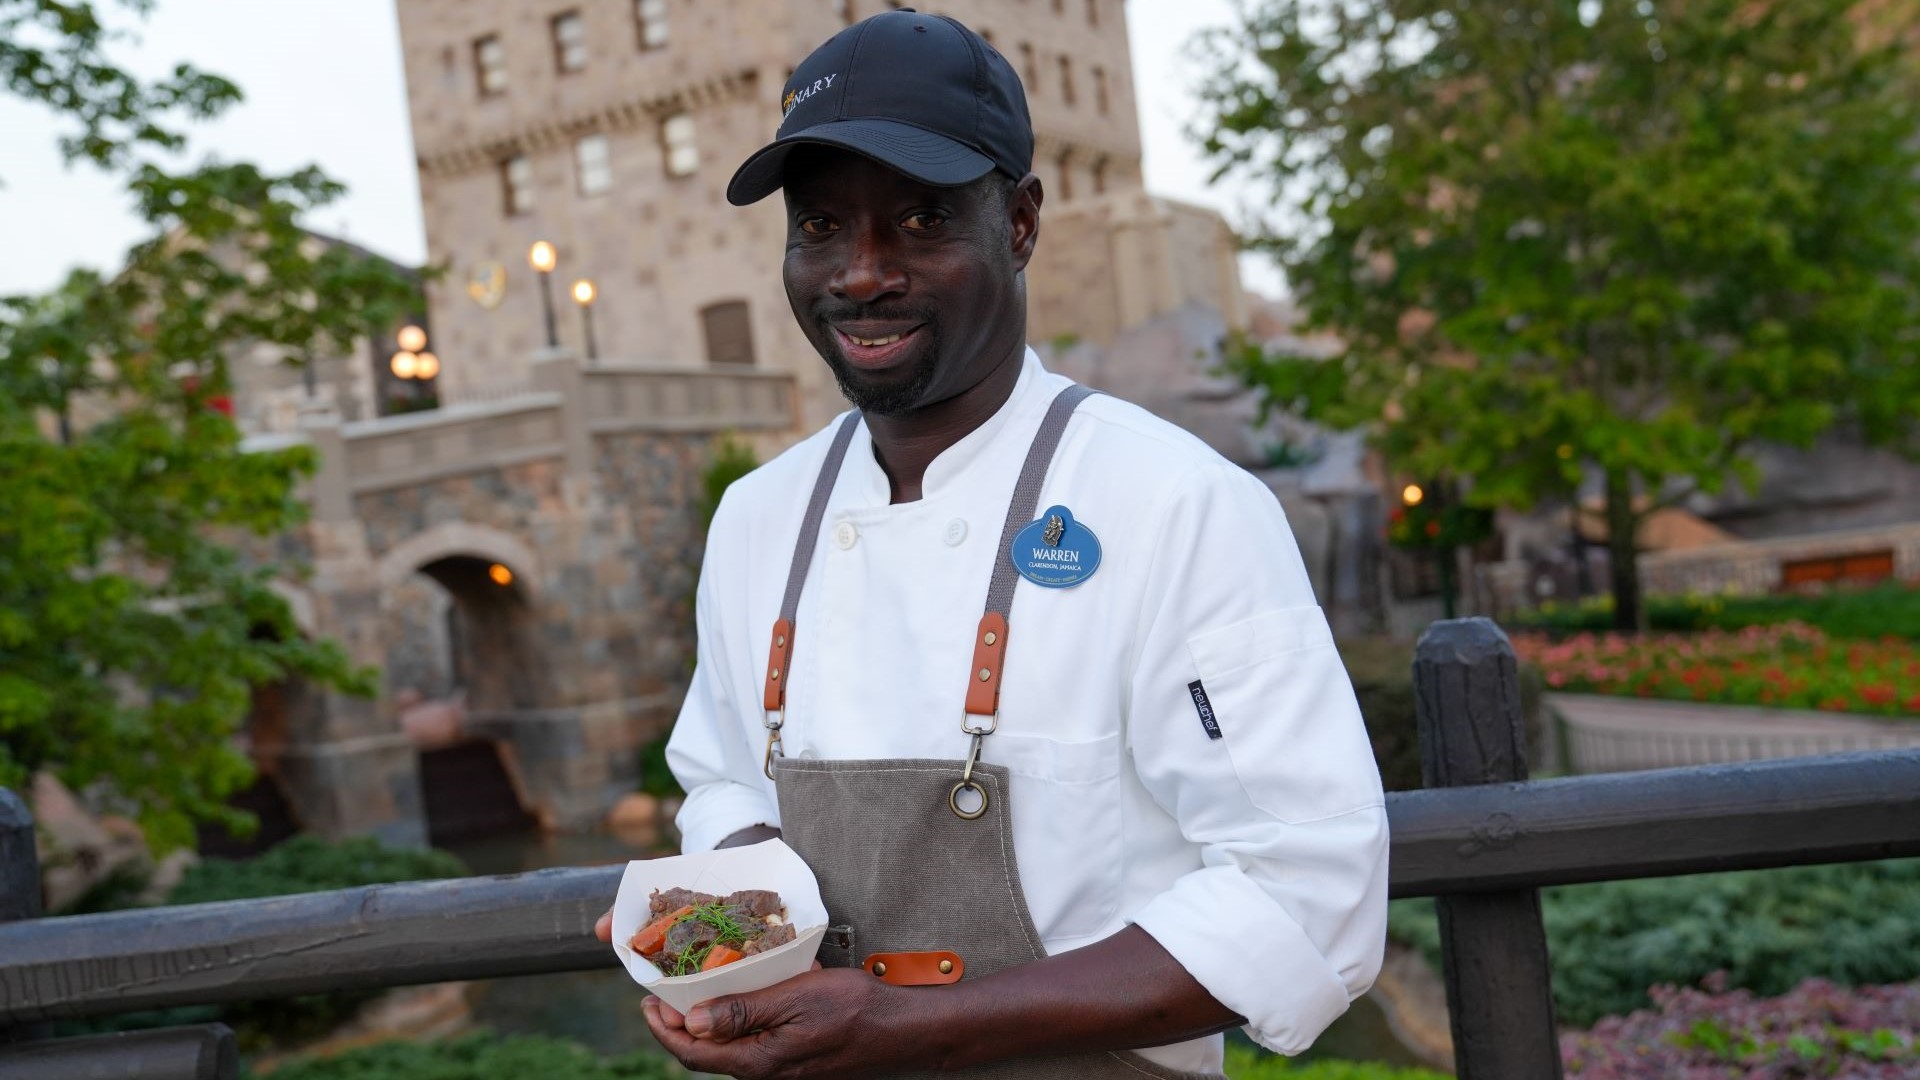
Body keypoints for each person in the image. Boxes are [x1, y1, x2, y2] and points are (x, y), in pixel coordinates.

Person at [592, 10, 1388, 1077]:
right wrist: (725, 930)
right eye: (820, 226)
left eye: (921, 221)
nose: (861, 274)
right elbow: (725, 781)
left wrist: (905, 1030)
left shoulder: (1175, 504)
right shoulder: (758, 518)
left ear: (1018, 224)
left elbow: (1309, 893)